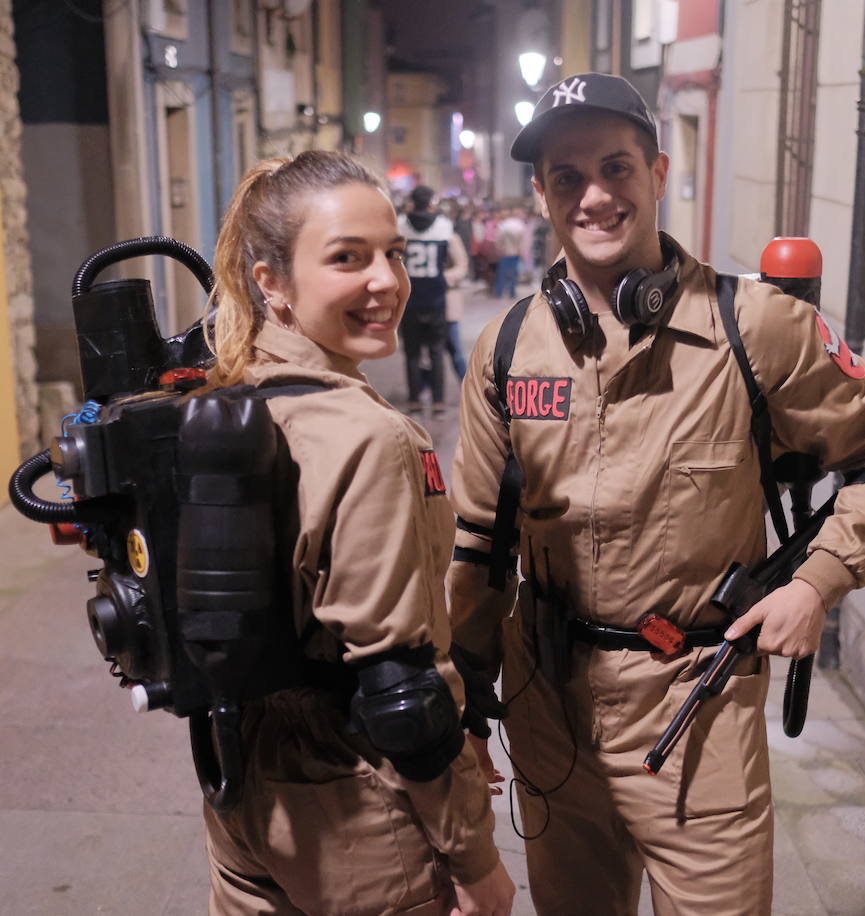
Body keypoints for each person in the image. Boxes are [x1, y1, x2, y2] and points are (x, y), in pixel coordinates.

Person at [446, 74, 865, 915]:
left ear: (658, 173)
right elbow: (479, 549)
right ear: (542, 193)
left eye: (617, 168)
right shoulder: (507, 348)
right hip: (547, 706)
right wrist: (461, 713)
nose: (594, 196)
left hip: (695, 713)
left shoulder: (758, 326)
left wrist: (817, 582)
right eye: (568, 178)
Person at [202, 151, 515, 916]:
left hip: (241, 794)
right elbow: (401, 689)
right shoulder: (367, 437)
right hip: (356, 814)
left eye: (394, 254)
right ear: (269, 280)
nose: (387, 281)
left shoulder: (225, 401)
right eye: (348, 258)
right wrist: (477, 862)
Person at [398, 185, 469, 416]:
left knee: (412, 353)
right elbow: (460, 264)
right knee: (437, 351)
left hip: (410, 298)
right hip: (437, 298)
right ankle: (438, 402)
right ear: (431, 203)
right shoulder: (444, 227)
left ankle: (415, 400)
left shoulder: (401, 226)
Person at [492, 207, 526, 299]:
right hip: (515, 252)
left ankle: (499, 292)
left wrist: (498, 249)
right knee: (513, 273)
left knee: (502, 273)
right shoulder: (519, 225)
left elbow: (498, 239)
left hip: (505, 252)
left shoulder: (503, 225)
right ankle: (512, 293)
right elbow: (522, 240)